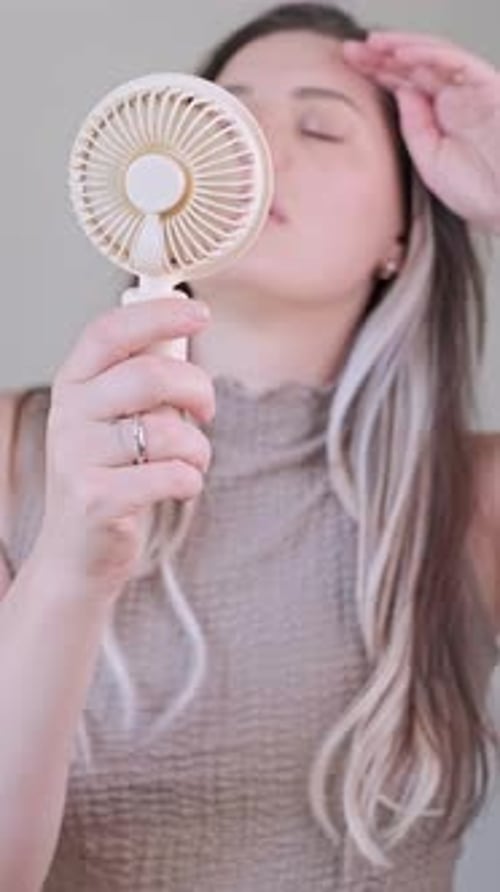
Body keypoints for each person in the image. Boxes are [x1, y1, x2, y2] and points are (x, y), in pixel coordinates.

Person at [0, 2, 500, 889]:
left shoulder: (471, 503)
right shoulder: (12, 459)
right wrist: (70, 568)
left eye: (319, 125)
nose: (254, 145)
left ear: (403, 232)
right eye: (220, 113)